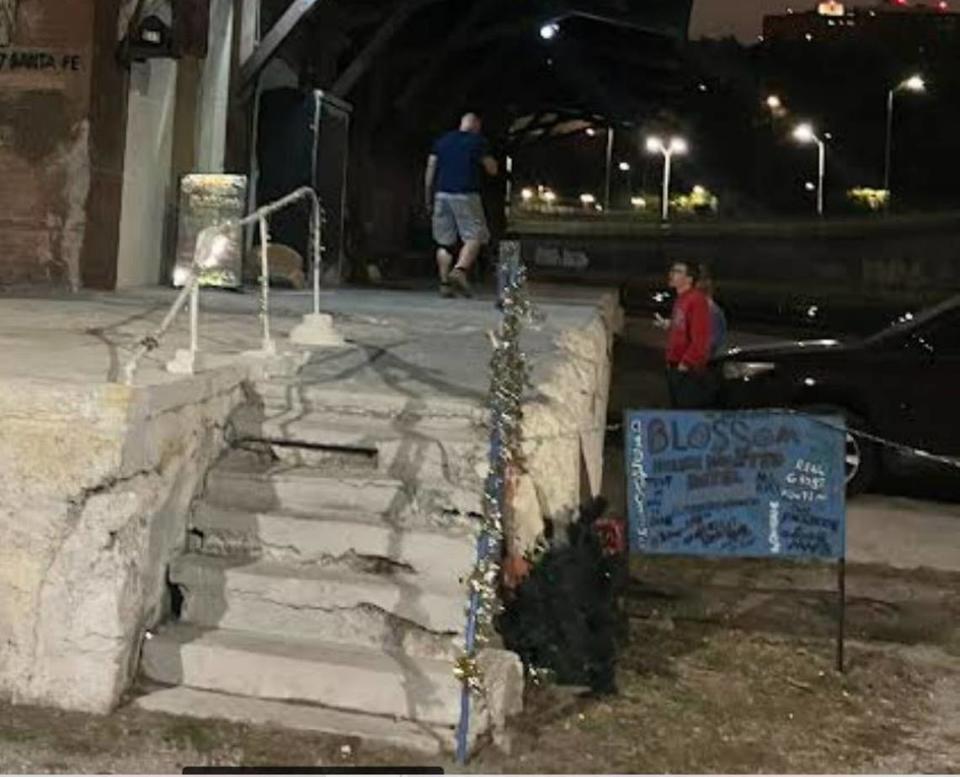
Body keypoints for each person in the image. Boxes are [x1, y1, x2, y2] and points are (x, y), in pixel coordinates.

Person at [424, 112, 498, 298]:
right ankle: (460, 270)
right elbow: (492, 169)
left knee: (444, 242)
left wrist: (428, 196)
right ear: (476, 126)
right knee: (476, 235)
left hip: (441, 194)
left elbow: (430, 169)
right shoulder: (477, 142)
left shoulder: (441, 141)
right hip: (466, 194)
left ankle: (444, 284)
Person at [664, 261, 715, 409]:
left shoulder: (696, 300)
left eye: (677, 271)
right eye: (672, 270)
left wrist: (685, 364)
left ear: (689, 279)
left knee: (686, 410)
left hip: (688, 370)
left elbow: (700, 338)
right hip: (675, 365)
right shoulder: (681, 299)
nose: (672, 274)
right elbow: (682, 326)